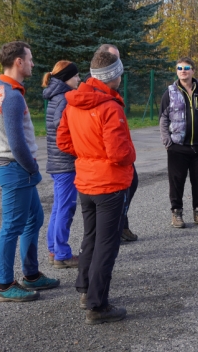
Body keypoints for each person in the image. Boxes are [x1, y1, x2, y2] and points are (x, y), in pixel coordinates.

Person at [57, 49, 135, 324]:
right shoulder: (109, 107)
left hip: (86, 181)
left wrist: (87, 153)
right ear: (114, 75)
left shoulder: (74, 102)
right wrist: (128, 157)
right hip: (109, 183)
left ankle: (84, 289)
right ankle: (97, 304)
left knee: (90, 237)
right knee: (107, 243)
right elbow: (119, 153)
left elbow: (63, 142)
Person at [0, 41, 60, 302]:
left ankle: (31, 274)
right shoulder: (12, 96)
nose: (32, 63)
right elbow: (16, 144)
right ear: (18, 61)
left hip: (14, 168)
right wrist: (32, 168)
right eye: (29, 59)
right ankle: (4, 285)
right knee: (11, 227)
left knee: (34, 219)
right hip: (16, 169)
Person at [159, 57, 198, 228]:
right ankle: (177, 214)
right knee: (176, 182)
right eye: (179, 68)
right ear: (176, 71)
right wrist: (167, 142)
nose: (183, 70)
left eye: (187, 67)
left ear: (193, 71)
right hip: (178, 147)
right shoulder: (169, 93)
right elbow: (163, 119)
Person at [97, 44, 139, 241]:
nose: (118, 64)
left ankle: (122, 225)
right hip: (106, 164)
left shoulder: (112, 95)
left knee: (130, 184)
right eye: (114, 58)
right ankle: (115, 231)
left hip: (111, 159)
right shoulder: (103, 101)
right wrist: (129, 154)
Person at [42, 60, 81, 268]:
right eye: (75, 76)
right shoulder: (65, 98)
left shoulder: (55, 96)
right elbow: (61, 125)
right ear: (66, 78)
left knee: (59, 207)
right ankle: (62, 254)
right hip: (65, 161)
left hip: (57, 161)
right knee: (65, 207)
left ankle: (53, 249)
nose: (79, 79)